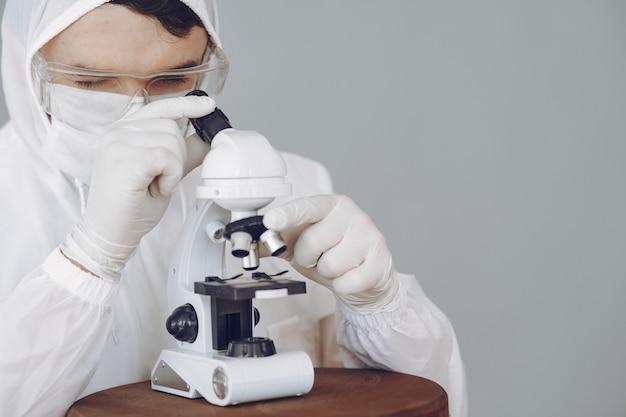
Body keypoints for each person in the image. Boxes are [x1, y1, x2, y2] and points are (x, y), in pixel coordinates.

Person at [0, 0, 467, 416]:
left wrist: (380, 311)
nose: (135, 114)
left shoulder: (287, 184)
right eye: (91, 83)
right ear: (22, 67)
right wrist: (90, 257)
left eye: (173, 79)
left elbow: (429, 402)